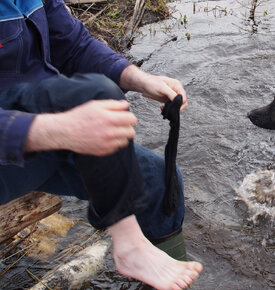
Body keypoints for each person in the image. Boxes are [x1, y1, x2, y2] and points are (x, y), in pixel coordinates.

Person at [0, 0, 202, 289]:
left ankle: (143, 257)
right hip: (14, 147)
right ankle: (130, 245)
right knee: (94, 93)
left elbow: (73, 46)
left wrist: (140, 80)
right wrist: (50, 130)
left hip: (45, 125)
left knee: (158, 181)